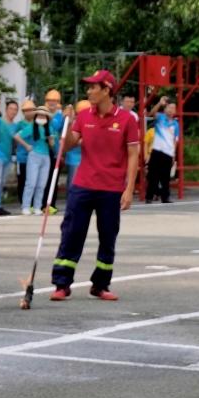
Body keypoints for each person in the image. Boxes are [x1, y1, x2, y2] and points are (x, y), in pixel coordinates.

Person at [49, 70, 139, 302]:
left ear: (107, 90)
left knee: (108, 236)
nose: (89, 91)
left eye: (93, 87)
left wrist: (129, 189)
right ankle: (62, 283)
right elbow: (68, 145)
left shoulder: (127, 119)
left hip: (111, 188)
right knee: (71, 233)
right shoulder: (84, 116)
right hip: (83, 184)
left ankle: (100, 284)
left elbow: (132, 155)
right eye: (88, 88)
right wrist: (68, 125)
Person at [14, 106, 54, 215]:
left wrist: (51, 139)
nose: (41, 117)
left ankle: (37, 207)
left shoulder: (49, 128)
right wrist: (27, 146)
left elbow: (52, 145)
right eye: (39, 115)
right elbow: (17, 136)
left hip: (46, 157)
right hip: (34, 156)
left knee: (41, 184)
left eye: (43, 115)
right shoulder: (31, 127)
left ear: (46, 117)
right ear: (36, 116)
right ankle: (26, 206)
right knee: (31, 183)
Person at [146, 97, 180, 203]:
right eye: (169, 107)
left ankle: (165, 197)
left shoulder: (176, 124)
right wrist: (159, 103)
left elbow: (175, 140)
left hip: (168, 153)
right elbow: (151, 114)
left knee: (165, 177)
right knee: (152, 175)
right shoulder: (160, 118)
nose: (171, 110)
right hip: (156, 151)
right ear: (165, 109)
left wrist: (174, 154)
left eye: (173, 108)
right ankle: (149, 197)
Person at [0, 99, 18, 216]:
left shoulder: (15, 126)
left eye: (15, 110)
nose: (13, 111)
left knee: (2, 182)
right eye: (11, 109)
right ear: (6, 110)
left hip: (8, 157)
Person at [43, 89, 64, 213]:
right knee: (43, 179)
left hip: (56, 152)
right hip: (44, 151)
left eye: (55, 101)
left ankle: (52, 204)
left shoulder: (60, 116)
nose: (52, 103)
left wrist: (61, 152)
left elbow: (63, 133)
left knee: (53, 179)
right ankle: (42, 204)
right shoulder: (42, 113)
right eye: (50, 101)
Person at [64, 100, 91, 191]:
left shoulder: (91, 123)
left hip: (87, 159)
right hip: (74, 158)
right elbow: (70, 140)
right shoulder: (74, 123)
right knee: (73, 184)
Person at [15, 100, 37, 202]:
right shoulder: (19, 125)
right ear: (23, 112)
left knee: (32, 180)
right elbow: (15, 137)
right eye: (26, 110)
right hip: (22, 157)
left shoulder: (37, 124)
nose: (29, 112)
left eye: (31, 110)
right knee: (22, 179)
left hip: (34, 157)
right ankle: (22, 200)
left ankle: (31, 201)